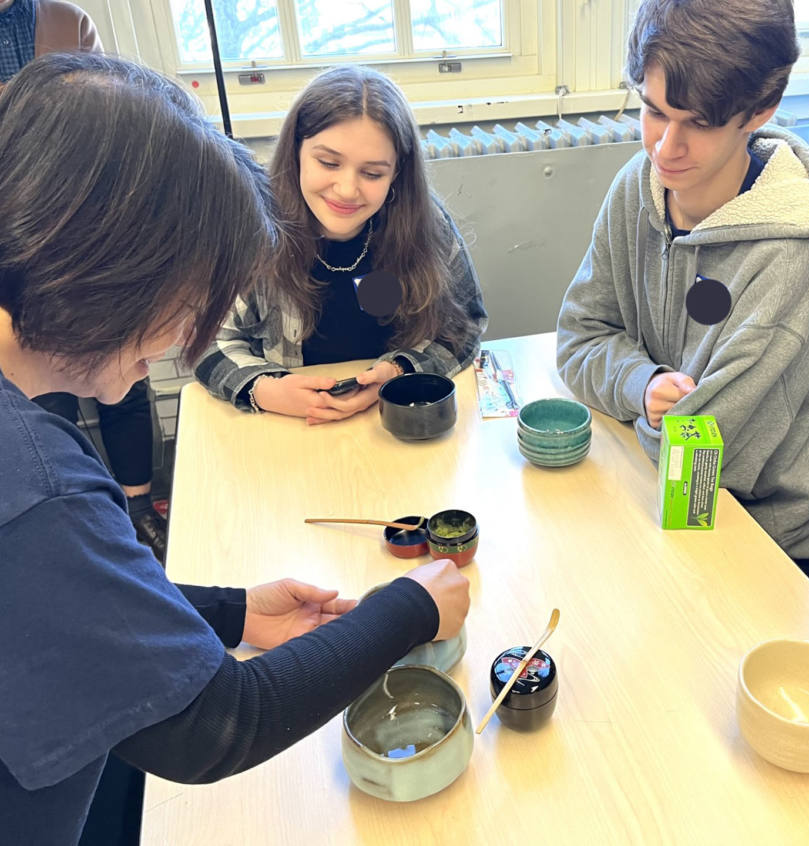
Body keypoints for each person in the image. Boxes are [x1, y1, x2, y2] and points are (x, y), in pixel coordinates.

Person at [0, 53, 470, 846]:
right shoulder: (40, 491)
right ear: (104, 268)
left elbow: (72, 611)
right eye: (186, 304)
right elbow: (215, 724)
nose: (184, 340)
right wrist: (410, 609)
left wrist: (232, 611)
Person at [556, 0, 809, 565]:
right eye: (654, 111)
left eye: (699, 123)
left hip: (760, 536)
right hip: (647, 485)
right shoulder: (636, 186)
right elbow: (578, 340)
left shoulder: (788, 258)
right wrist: (641, 384)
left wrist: (637, 402)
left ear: (761, 109)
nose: (665, 148)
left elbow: (704, 458)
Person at [195, 65, 487, 425]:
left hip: (388, 418)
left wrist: (398, 372)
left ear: (397, 173)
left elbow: (464, 326)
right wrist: (266, 390)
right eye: (328, 163)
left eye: (373, 173)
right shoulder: (253, 224)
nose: (347, 190)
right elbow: (207, 341)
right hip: (287, 424)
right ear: (296, 151)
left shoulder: (427, 223)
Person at [0, 0, 167, 560]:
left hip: (87, 230)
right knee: (45, 392)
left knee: (123, 374)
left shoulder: (65, 20)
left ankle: (136, 508)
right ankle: (74, 524)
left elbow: (101, 123)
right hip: (18, 243)